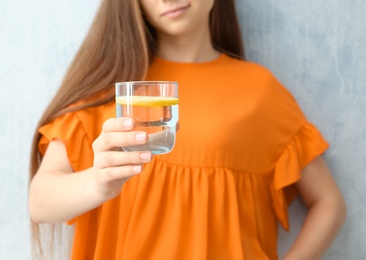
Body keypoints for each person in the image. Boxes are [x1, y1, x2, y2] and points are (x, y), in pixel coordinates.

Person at [28, 0, 346, 259]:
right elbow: (40, 202)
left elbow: (328, 202)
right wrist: (99, 182)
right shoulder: (111, 92)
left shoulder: (260, 91)